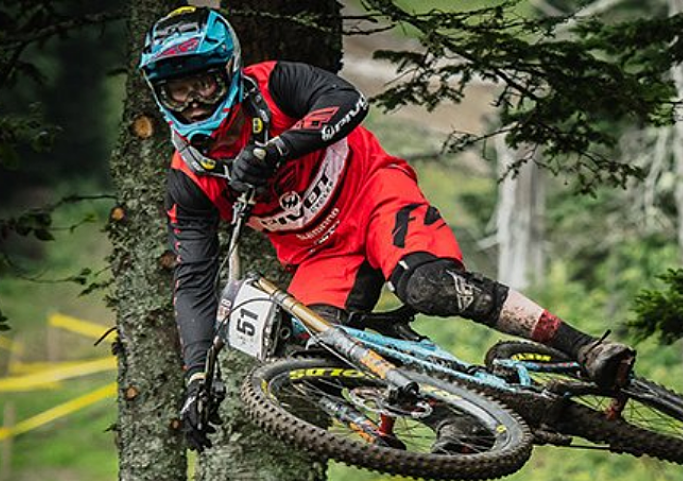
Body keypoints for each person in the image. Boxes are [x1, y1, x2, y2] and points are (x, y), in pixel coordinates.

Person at [140, 7, 635, 451]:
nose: (193, 102)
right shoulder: (189, 180)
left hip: (374, 195)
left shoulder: (274, 84)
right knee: (312, 359)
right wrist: (196, 378)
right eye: (178, 90)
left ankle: (583, 347)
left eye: (203, 84)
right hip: (321, 255)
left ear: (228, 72)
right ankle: (454, 419)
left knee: (431, 286)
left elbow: (347, 101)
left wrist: (276, 149)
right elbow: (195, 282)